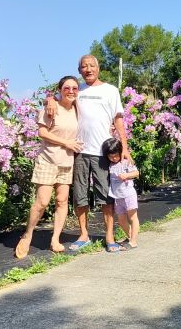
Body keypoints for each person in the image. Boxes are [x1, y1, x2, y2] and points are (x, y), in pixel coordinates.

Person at [45, 55, 130, 253]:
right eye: (84, 66)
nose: (88, 69)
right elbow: (57, 98)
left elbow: (118, 119)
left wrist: (124, 147)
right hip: (79, 151)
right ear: (79, 70)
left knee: (105, 196)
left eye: (92, 65)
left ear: (98, 68)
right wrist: (49, 99)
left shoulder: (110, 90)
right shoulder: (77, 90)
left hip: (103, 152)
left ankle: (110, 237)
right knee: (80, 196)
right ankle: (83, 235)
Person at [15, 75, 82, 259]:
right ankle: (27, 234)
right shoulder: (51, 108)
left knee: (62, 201)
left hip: (66, 163)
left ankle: (55, 239)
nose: (71, 91)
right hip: (48, 160)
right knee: (42, 202)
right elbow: (42, 132)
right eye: (66, 88)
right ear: (60, 90)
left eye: (74, 88)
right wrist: (66, 143)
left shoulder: (77, 108)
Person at [103, 137, 140, 250]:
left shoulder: (125, 161)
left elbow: (136, 173)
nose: (114, 158)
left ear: (120, 152)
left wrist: (127, 175)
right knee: (121, 220)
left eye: (116, 155)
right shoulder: (110, 165)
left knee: (133, 217)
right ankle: (129, 237)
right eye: (111, 156)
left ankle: (133, 242)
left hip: (128, 194)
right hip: (117, 197)